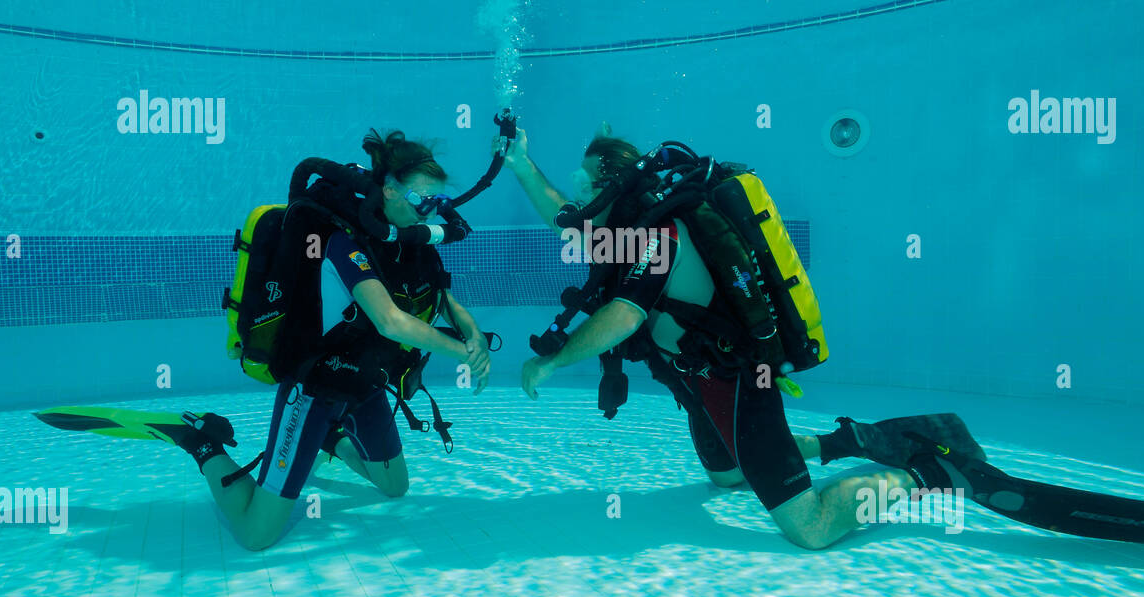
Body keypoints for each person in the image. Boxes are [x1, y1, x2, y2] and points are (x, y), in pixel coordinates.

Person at [495, 124, 913, 550]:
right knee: (727, 475)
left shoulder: (660, 236)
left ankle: (920, 475)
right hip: (692, 380)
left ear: (613, 189)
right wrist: (520, 163)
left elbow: (623, 315)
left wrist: (551, 360)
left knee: (812, 528)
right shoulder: (623, 235)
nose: (578, 197)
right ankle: (840, 442)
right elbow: (563, 220)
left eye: (584, 184)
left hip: (736, 382)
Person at [175, 130, 492, 550]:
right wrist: (461, 353)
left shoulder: (415, 244)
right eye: (422, 199)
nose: (429, 212)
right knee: (256, 535)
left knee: (395, 486)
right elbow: (390, 321)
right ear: (391, 190)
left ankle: (333, 439)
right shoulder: (346, 242)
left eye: (437, 202)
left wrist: (475, 338)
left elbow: (444, 299)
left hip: (364, 384)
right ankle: (202, 443)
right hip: (316, 388)